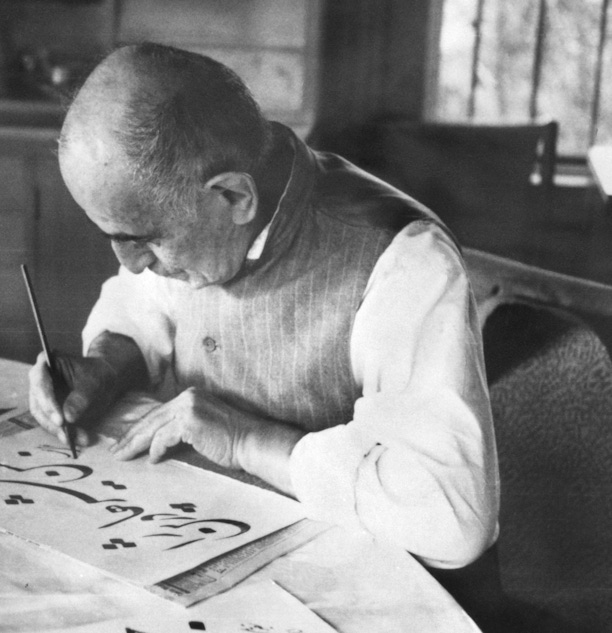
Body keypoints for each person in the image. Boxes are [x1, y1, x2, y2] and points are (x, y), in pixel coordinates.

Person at [27, 42, 499, 574]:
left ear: (233, 197)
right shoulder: (193, 204)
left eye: (144, 240)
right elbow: (144, 304)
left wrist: (248, 440)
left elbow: (454, 516)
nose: (130, 264)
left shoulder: (403, 258)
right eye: (113, 238)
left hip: (367, 581)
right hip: (211, 540)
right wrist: (104, 366)